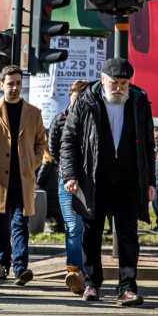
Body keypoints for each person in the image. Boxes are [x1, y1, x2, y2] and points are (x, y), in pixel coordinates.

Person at [60, 58, 155, 306]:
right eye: (114, 82)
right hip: (93, 179)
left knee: (128, 234)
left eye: (124, 83)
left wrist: (150, 181)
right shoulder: (85, 100)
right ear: (103, 79)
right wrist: (70, 175)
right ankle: (92, 284)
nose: (119, 88)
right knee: (91, 234)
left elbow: (148, 145)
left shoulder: (139, 101)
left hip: (128, 179)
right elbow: (68, 139)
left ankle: (127, 288)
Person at [0, 65, 47, 285]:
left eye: (18, 83)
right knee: (0, 225)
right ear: (2, 85)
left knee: (19, 223)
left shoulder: (33, 112)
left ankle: (20, 268)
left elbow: (40, 143)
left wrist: (32, 164)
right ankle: (2, 263)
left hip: (21, 179)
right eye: (10, 84)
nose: (15, 88)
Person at [44, 79, 88, 294]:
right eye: (74, 100)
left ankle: (87, 271)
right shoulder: (59, 120)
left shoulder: (94, 120)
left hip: (91, 182)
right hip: (67, 181)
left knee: (89, 228)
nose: (77, 105)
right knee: (73, 226)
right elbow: (52, 151)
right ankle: (74, 271)